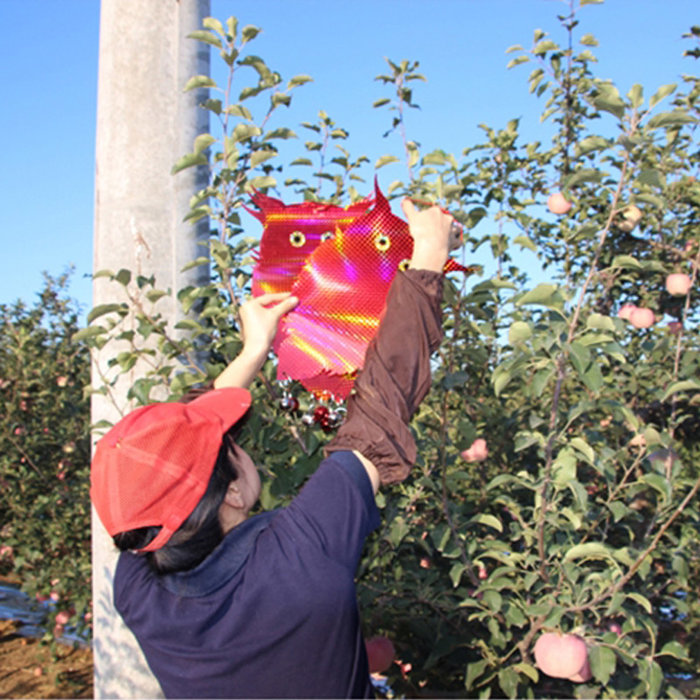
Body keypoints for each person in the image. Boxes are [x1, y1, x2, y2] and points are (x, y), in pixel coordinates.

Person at [90, 199, 455, 699]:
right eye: (229, 445)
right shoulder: (301, 553)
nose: (234, 441)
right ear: (234, 493)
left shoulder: (138, 588)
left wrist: (252, 351)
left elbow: (176, 466)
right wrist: (429, 257)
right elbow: (381, 409)